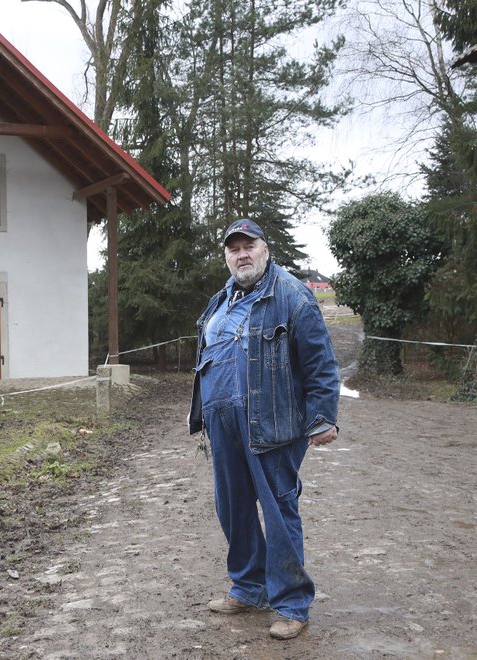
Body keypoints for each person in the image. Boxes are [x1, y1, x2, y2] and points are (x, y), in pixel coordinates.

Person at [188, 218, 339, 640]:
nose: (242, 254)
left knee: (278, 510)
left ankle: (292, 603)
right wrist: (199, 412)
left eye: (249, 246)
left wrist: (323, 416)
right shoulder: (220, 301)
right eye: (233, 248)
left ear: (265, 249)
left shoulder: (292, 296)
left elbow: (320, 363)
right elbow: (207, 359)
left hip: (271, 424)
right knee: (233, 510)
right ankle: (248, 587)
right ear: (226, 257)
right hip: (222, 425)